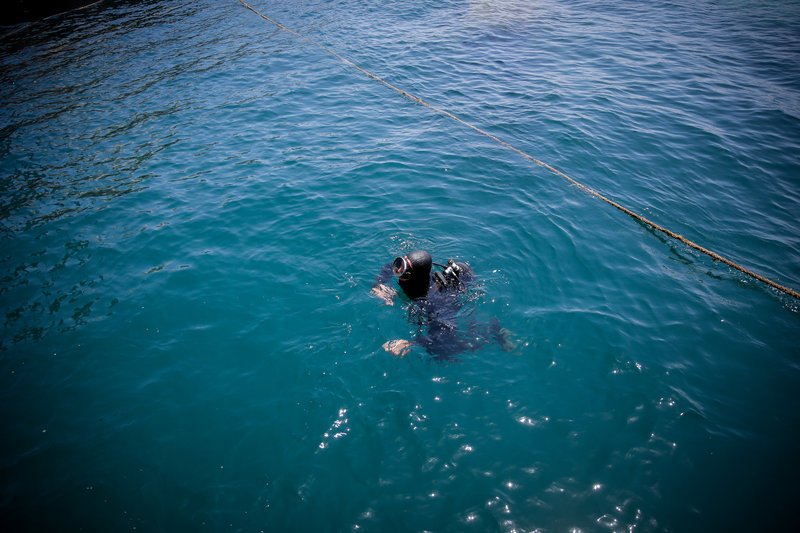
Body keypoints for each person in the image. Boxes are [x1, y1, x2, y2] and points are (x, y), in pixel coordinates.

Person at [371, 250, 514, 359]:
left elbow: (445, 336)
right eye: (399, 266)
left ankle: (498, 333)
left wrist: (411, 343)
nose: (397, 271)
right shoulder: (412, 274)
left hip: (455, 294)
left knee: (443, 353)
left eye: (402, 270)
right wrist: (379, 284)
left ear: (411, 276)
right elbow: (389, 267)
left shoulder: (434, 301)